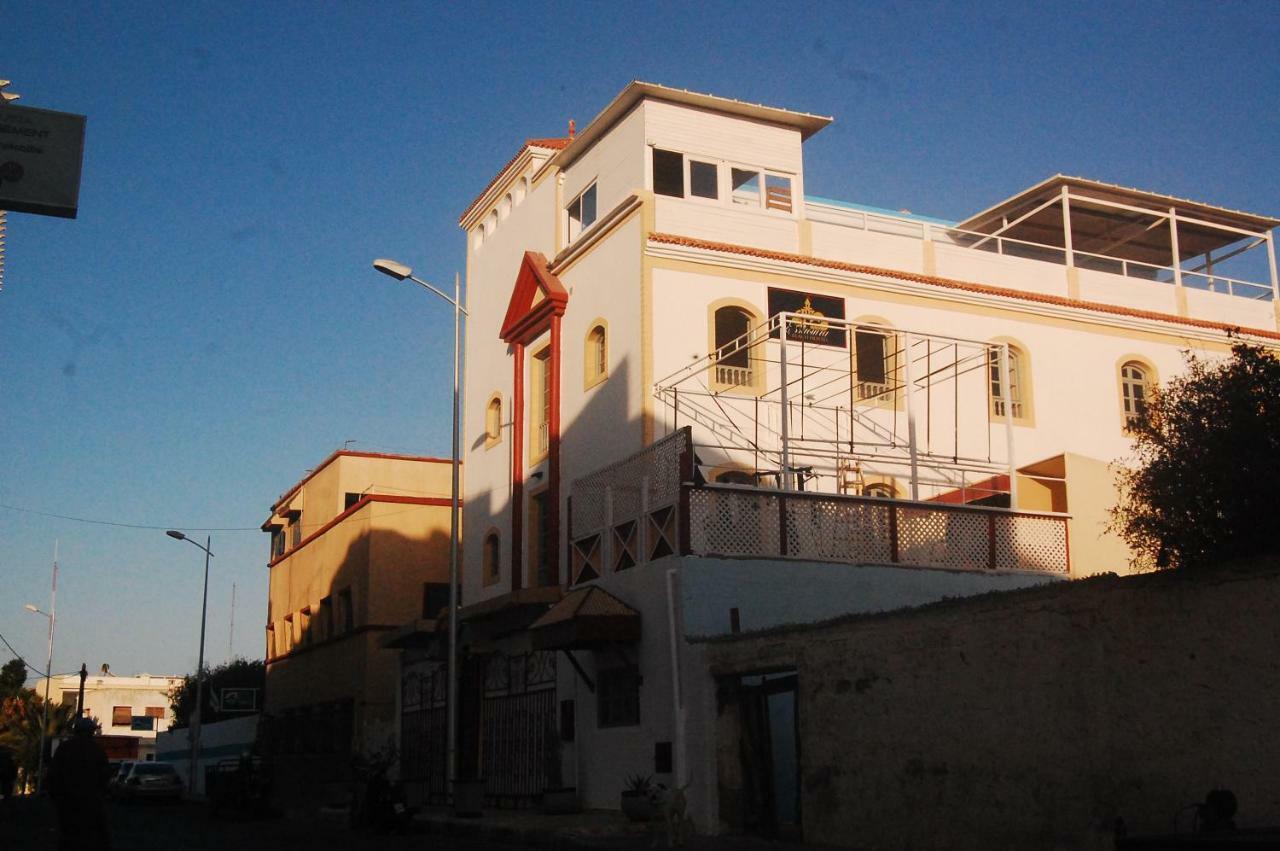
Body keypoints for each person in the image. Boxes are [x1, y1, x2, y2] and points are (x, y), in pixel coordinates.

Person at [47, 717, 111, 850]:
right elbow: (104, 774)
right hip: (89, 800)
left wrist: (55, 794)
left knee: (68, 833)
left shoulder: (65, 748)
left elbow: (54, 773)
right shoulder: (96, 750)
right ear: (90, 732)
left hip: (68, 799)